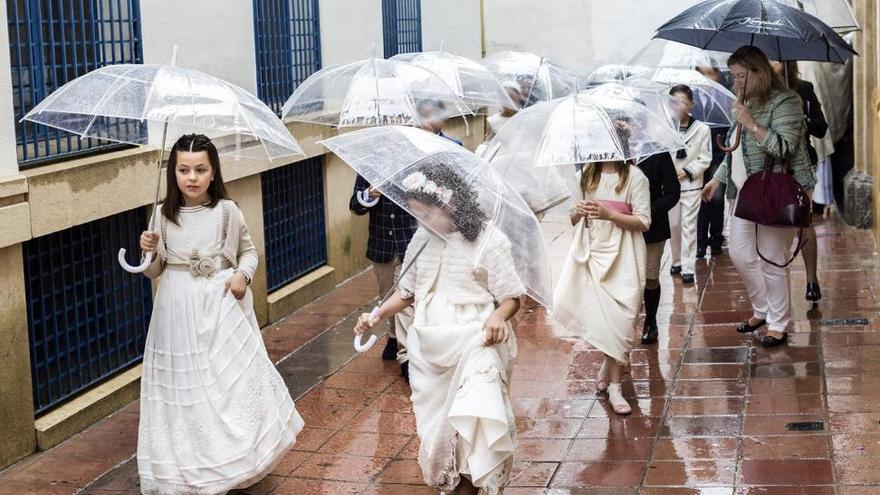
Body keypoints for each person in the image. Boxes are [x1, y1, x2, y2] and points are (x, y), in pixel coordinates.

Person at [137, 134, 303, 495]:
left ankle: (230, 459)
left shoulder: (227, 211)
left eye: (200, 169)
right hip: (176, 308)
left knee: (223, 384)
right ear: (173, 172)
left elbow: (249, 253)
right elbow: (153, 272)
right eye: (183, 169)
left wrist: (243, 275)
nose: (191, 177)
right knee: (184, 386)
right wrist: (148, 252)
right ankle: (187, 465)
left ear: (213, 173)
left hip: (220, 307)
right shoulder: (161, 215)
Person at [354, 163, 523, 495]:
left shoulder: (490, 241)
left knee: (475, 421)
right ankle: (454, 480)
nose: (422, 222)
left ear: (451, 205)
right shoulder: (422, 238)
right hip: (429, 346)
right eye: (417, 215)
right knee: (441, 430)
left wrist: (498, 316)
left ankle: (477, 483)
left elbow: (512, 297)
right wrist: (375, 315)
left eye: (427, 215)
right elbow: (407, 293)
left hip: (477, 343)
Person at [702, 46, 814, 348]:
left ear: (759, 73)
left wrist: (750, 122)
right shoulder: (744, 100)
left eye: (741, 76)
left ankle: (778, 323)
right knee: (739, 253)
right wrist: (716, 179)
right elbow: (733, 147)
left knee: (771, 258)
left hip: (777, 191)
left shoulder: (786, 101)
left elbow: (784, 148)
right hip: (745, 190)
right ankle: (763, 308)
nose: (736, 82)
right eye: (733, 76)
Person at [350, 101, 463, 380]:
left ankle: (407, 356)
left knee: (407, 297)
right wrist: (370, 195)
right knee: (386, 292)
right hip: (381, 242)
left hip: (412, 239)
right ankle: (392, 335)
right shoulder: (372, 159)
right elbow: (355, 205)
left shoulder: (427, 153)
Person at [553, 124, 652, 415]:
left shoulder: (636, 177)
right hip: (594, 252)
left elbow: (644, 221)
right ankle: (614, 386)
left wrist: (611, 213)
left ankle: (611, 372)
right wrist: (579, 211)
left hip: (626, 254)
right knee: (604, 319)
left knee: (623, 322)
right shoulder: (584, 175)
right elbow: (570, 218)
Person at [771, 60, 829, 303]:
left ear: (786, 63)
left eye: (774, 59)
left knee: (803, 221)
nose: (771, 63)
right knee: (776, 226)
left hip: (801, 165)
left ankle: (811, 279)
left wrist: (802, 119)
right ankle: (776, 284)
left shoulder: (803, 89)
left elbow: (821, 128)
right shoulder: (762, 94)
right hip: (773, 166)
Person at [668, 84, 712, 285]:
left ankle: (687, 266)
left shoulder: (702, 129)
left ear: (691, 104)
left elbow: (705, 158)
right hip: (669, 187)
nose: (679, 106)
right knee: (674, 225)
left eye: (683, 102)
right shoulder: (664, 128)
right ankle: (676, 260)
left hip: (691, 185)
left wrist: (686, 172)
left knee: (688, 226)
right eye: (674, 102)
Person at [637, 151, 681, 344]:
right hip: (621, 227)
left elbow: (672, 193)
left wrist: (648, 211)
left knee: (650, 276)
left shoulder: (658, 154)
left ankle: (651, 321)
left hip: (653, 227)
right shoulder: (612, 156)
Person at [695, 65, 730, 259]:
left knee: (716, 200)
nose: (706, 77)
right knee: (700, 201)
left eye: (709, 72)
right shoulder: (691, 99)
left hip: (718, 154)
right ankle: (700, 243)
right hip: (698, 157)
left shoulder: (724, 98)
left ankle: (716, 238)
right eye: (702, 73)